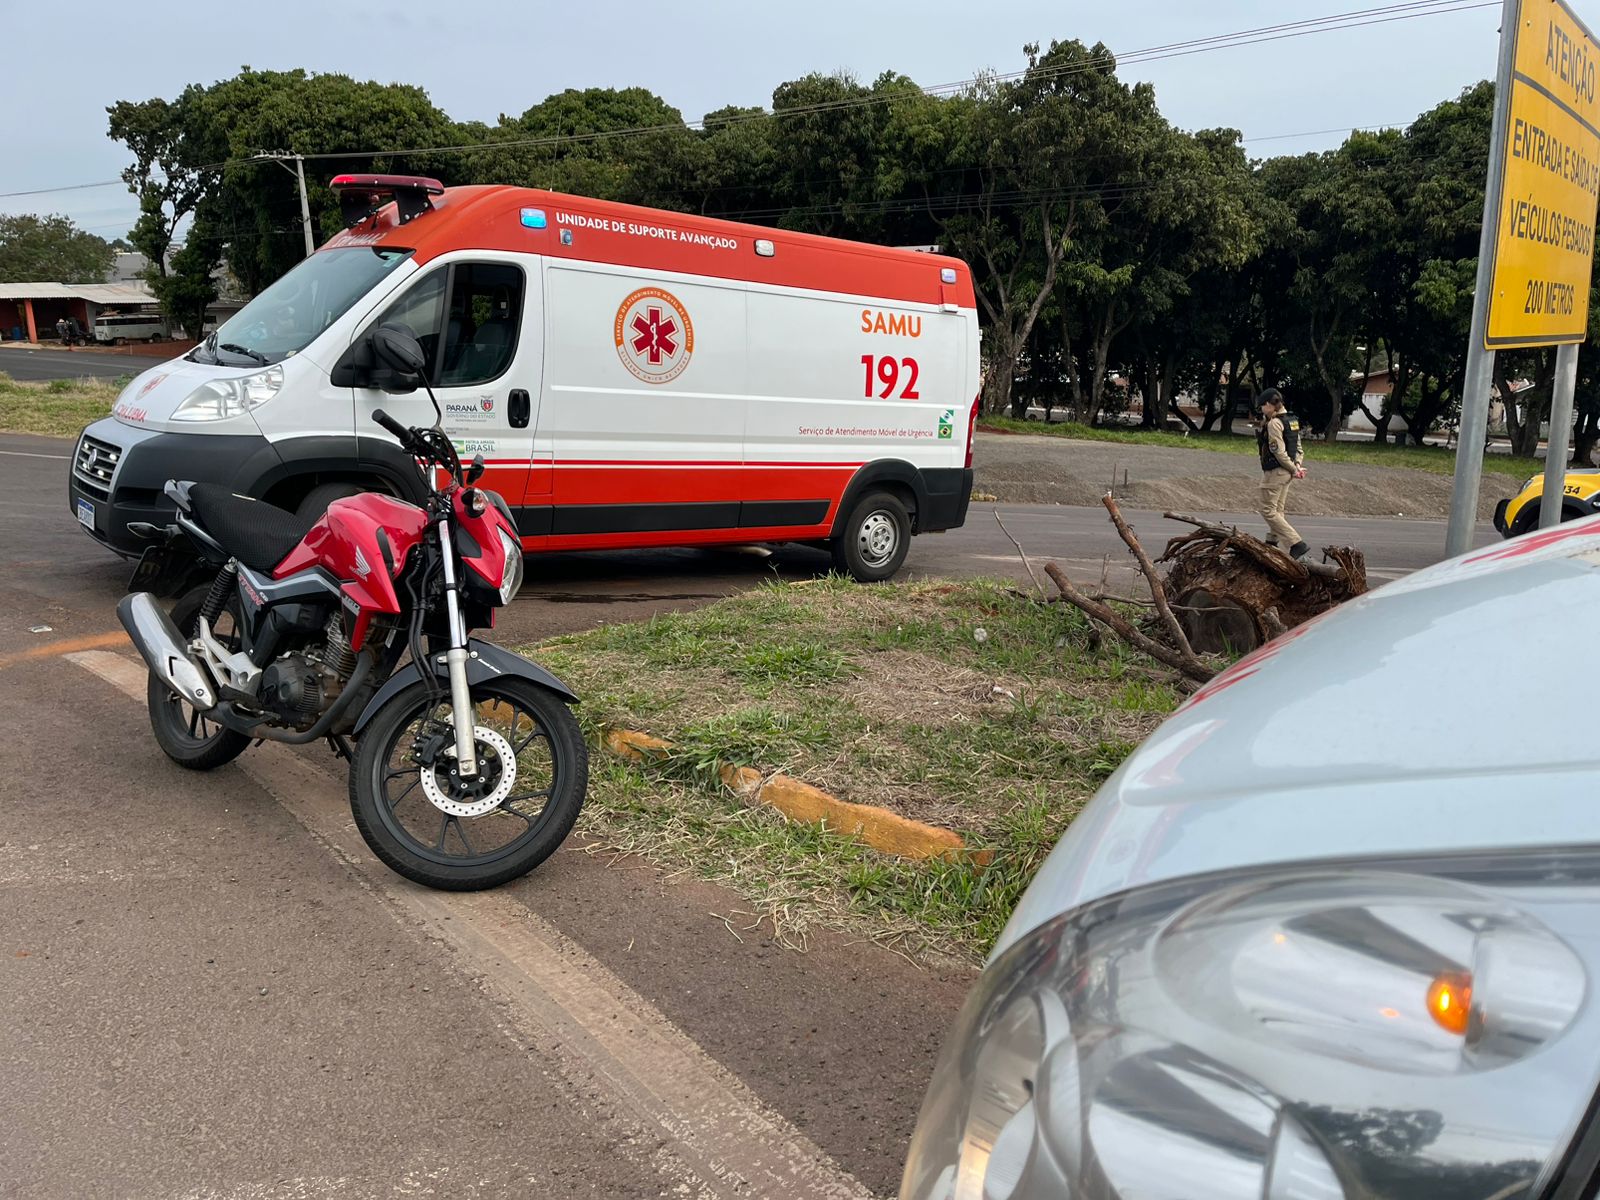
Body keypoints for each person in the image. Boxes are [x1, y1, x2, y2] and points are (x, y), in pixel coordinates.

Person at [1255, 388, 1308, 558]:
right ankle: (1272, 542)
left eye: (1262, 406)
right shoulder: (1291, 420)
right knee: (1278, 510)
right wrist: (1297, 466)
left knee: (1267, 510)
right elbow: (1298, 448)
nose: (1261, 409)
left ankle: (1296, 543)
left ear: (1270, 405)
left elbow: (1278, 452)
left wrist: (1294, 469)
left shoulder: (1274, 423)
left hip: (1276, 472)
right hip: (1288, 472)